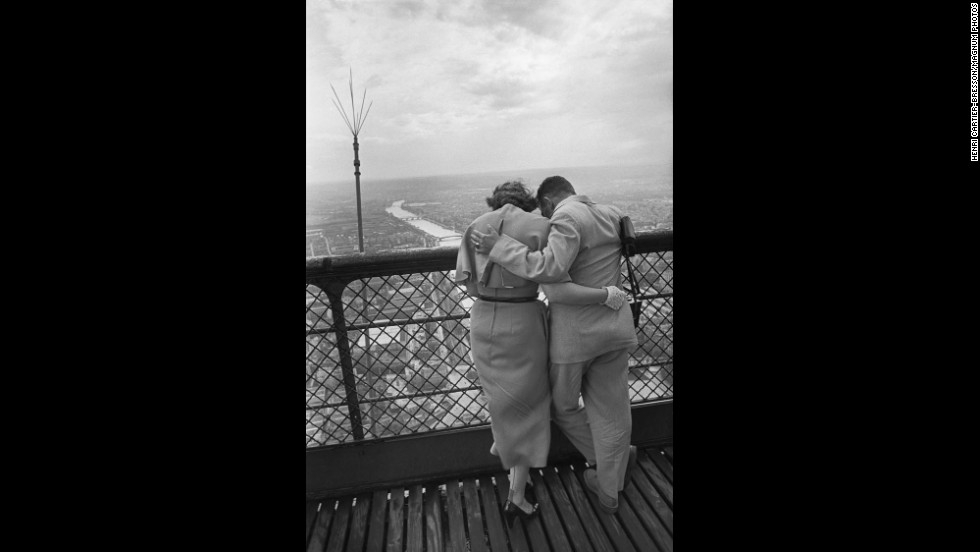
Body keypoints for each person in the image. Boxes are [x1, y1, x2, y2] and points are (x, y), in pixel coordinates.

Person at [455, 181, 627, 524]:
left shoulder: (476, 226)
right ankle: (526, 492)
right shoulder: (550, 225)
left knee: (505, 401)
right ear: (530, 203)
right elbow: (551, 276)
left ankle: (514, 471)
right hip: (531, 322)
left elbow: (467, 281)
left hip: (485, 319)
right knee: (537, 405)